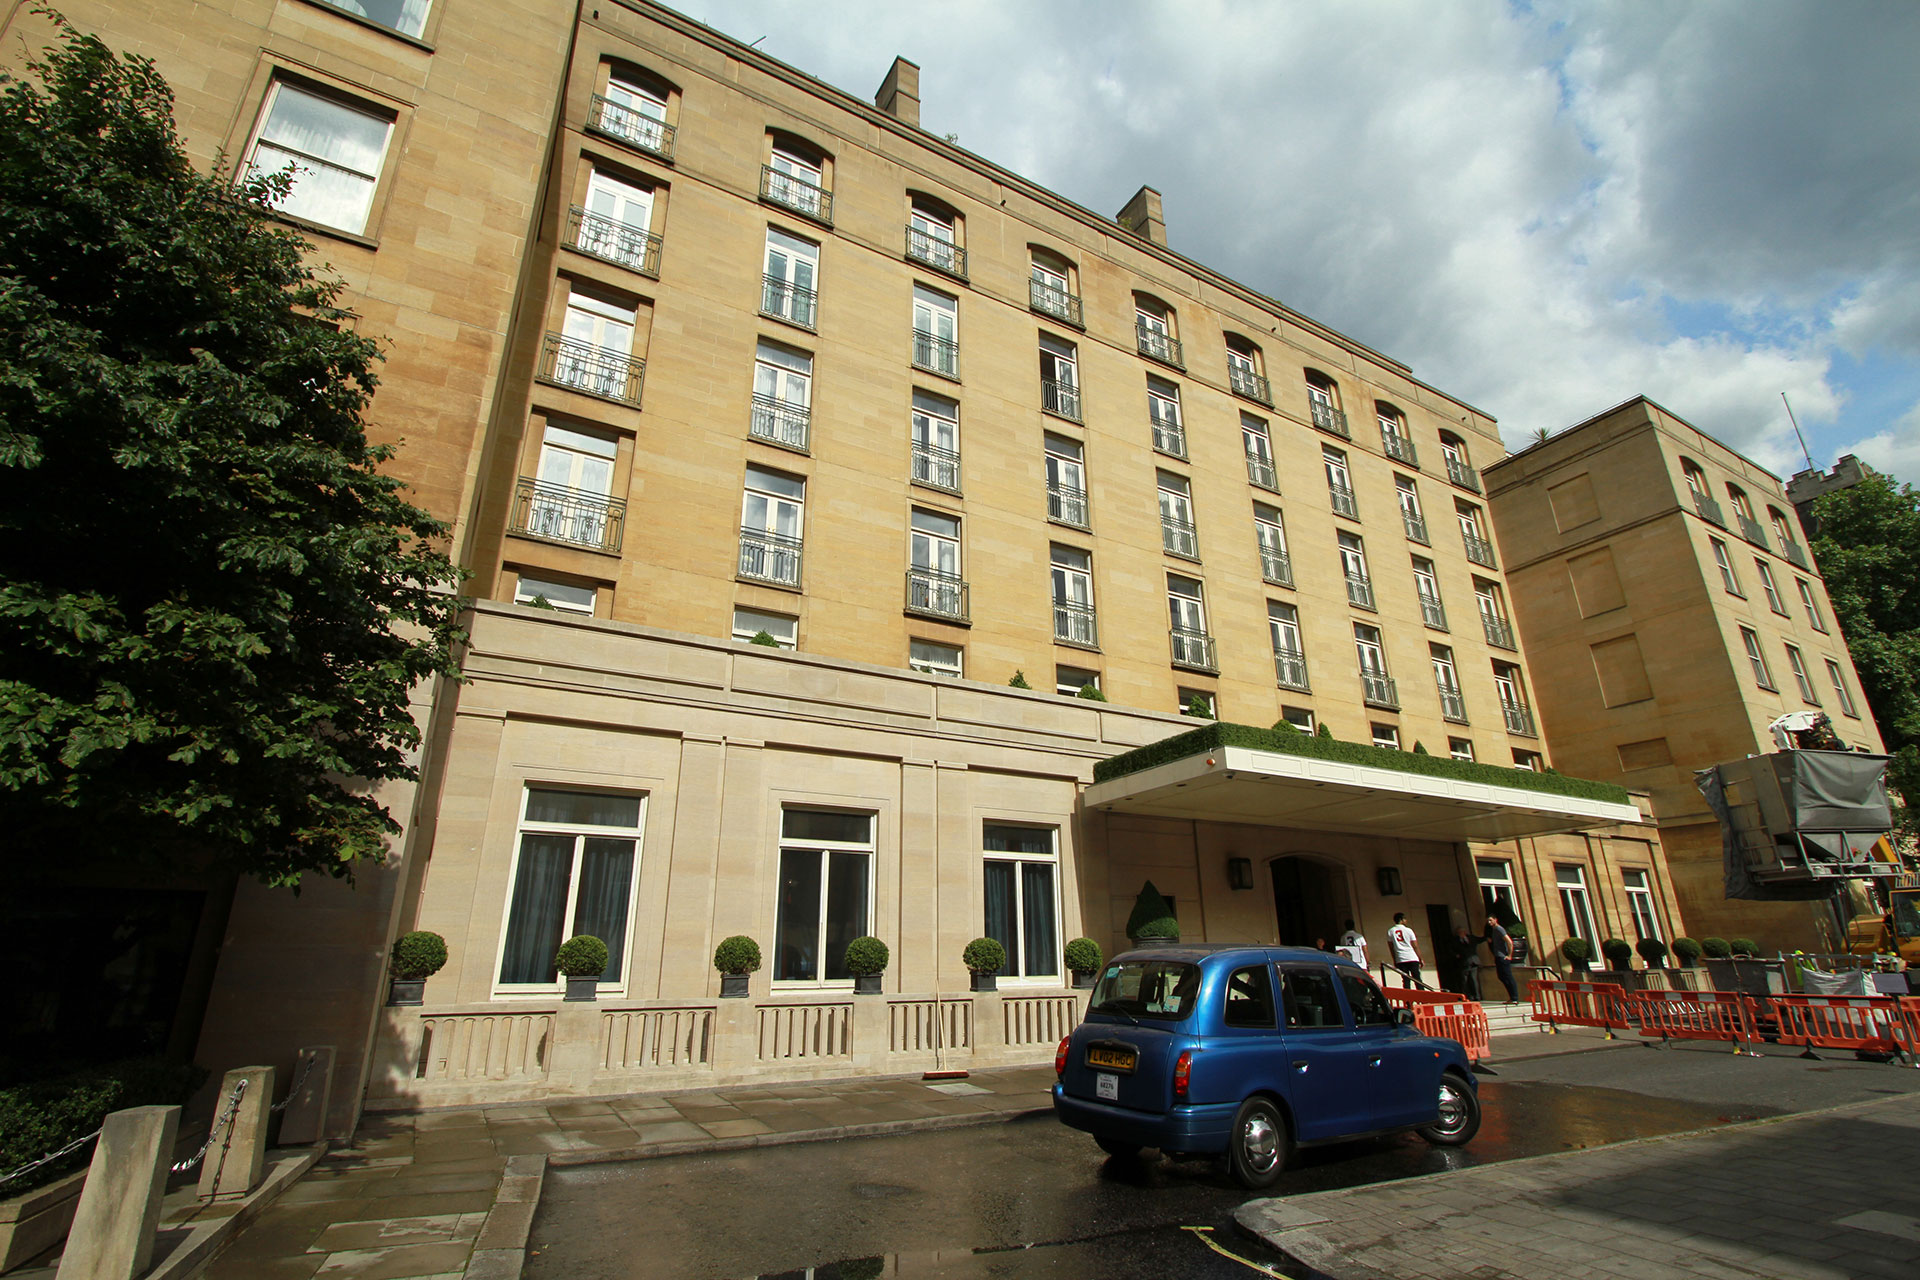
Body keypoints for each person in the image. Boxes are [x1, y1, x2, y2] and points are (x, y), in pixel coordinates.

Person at [1486, 915, 1520, 1003]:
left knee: (1508, 976)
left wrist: (1509, 955)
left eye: (1491, 920)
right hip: (1498, 956)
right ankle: (1512, 997)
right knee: (1501, 977)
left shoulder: (1499, 929)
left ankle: (1514, 997)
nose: (1489, 922)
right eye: (1488, 921)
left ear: (1495, 920)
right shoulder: (1494, 930)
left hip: (1503, 957)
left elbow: (1509, 942)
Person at [1449, 922, 1486, 1001]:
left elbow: (1480, 939)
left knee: (1474, 979)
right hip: (1463, 963)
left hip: (1473, 962)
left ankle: (1477, 996)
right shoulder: (1455, 940)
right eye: (1460, 932)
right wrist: (1456, 955)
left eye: (1463, 932)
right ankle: (1467, 996)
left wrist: (1488, 937)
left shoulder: (1471, 938)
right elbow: (1451, 950)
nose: (1461, 934)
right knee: (1464, 981)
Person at [1387, 912, 1425, 988]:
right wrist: (1420, 958)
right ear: (1401, 920)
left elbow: (1391, 947)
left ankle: (1407, 995)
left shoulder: (1390, 931)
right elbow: (1415, 946)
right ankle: (1422, 994)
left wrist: (1395, 959)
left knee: (1406, 980)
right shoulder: (1409, 930)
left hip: (1400, 958)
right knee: (1417, 979)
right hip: (1412, 957)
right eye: (1404, 919)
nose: (1406, 920)